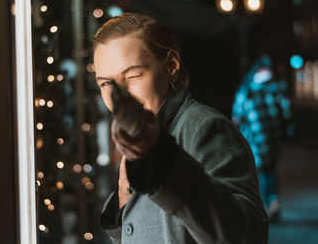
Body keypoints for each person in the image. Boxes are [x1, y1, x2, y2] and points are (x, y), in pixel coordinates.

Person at [92, 13, 268, 244]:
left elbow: (246, 235)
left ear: (171, 66)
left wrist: (163, 161)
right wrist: (123, 197)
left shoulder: (206, 127)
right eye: (106, 83)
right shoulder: (141, 135)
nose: (119, 96)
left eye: (133, 75)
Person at [232, 55, 293, 221]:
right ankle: (270, 204)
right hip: (261, 138)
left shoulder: (250, 88)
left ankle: (270, 205)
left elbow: (237, 114)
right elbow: (285, 110)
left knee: (264, 171)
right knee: (266, 171)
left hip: (264, 139)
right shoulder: (261, 88)